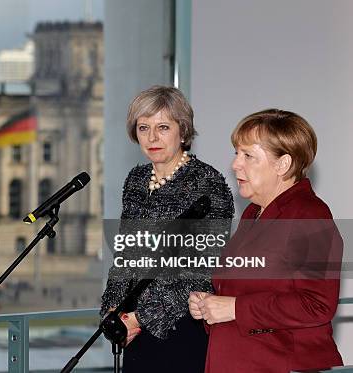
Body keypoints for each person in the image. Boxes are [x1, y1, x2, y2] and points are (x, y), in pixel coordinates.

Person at [189, 109, 343, 372]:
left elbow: (317, 304)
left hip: (280, 364)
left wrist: (236, 308)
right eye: (237, 153)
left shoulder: (310, 215)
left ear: (283, 164)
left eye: (248, 155)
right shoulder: (253, 213)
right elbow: (244, 294)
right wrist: (210, 305)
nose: (236, 164)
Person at [101, 85, 234, 372]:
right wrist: (113, 310)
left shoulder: (208, 184)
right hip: (133, 330)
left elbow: (201, 270)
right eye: (143, 127)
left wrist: (139, 318)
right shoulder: (136, 180)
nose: (152, 138)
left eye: (163, 127)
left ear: (183, 132)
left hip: (181, 325)